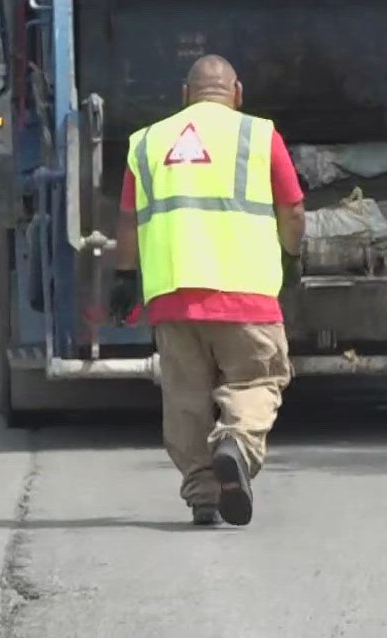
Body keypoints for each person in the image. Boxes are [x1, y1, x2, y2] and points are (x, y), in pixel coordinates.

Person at [114, 54, 306, 527]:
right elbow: (294, 210)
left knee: (185, 399)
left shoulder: (147, 143)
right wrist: (292, 256)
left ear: (185, 95)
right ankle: (235, 445)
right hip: (247, 296)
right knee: (257, 381)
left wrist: (123, 278)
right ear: (237, 93)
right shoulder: (259, 135)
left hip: (173, 299)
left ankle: (202, 493)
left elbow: (126, 221)